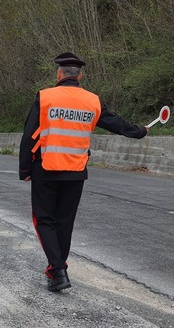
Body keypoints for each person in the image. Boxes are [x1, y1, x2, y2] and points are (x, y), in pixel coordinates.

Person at [19, 52, 148, 292]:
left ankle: (58, 270)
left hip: (46, 169)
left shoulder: (45, 97)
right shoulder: (92, 101)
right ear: (80, 75)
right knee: (64, 222)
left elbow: (29, 134)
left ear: (59, 74)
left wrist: (25, 168)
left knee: (44, 220)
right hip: (76, 171)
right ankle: (56, 269)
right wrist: (138, 131)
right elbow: (115, 123)